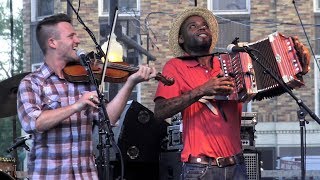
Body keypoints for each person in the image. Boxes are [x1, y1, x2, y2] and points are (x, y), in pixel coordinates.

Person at [153, 7, 310, 180]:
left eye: (205, 25)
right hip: (199, 169)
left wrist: (297, 68)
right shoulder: (175, 66)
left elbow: (262, 88)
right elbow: (160, 111)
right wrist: (202, 90)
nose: (202, 27)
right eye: (192, 26)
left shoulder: (229, 62)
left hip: (237, 166)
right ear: (181, 39)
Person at [17, 13, 156, 179]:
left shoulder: (85, 78)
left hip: (86, 175)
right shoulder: (32, 82)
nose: (77, 40)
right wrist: (77, 105)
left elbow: (108, 119)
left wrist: (130, 83)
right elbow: (34, 122)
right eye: (71, 36)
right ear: (52, 42)